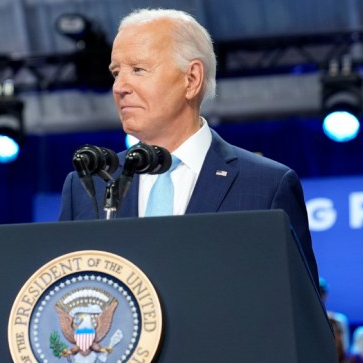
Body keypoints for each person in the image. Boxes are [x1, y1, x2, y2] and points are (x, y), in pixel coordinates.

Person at [57, 7, 318, 286]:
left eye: (138, 69)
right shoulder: (88, 186)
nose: (120, 87)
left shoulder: (266, 186)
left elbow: (299, 313)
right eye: (116, 73)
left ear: (191, 79)